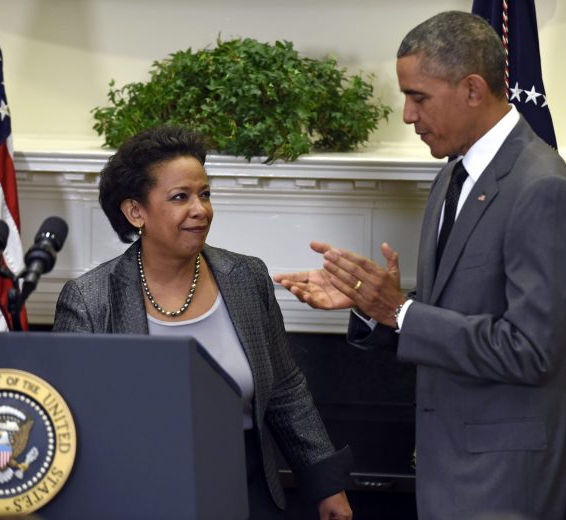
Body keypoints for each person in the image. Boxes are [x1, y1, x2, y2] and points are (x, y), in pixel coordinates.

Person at [274, 11, 566, 520]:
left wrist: (401, 310)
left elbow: (533, 352)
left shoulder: (543, 189)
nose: (406, 115)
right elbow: (461, 314)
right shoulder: (453, 176)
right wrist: (372, 305)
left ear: (472, 89)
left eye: (418, 97)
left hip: (510, 486)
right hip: (451, 475)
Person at [52, 125, 353, 520]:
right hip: (136, 492)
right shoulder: (91, 300)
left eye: (205, 194)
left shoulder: (245, 277)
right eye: (181, 197)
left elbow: (284, 389)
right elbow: (71, 419)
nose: (201, 209)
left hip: (246, 487)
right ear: (135, 211)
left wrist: (325, 484)